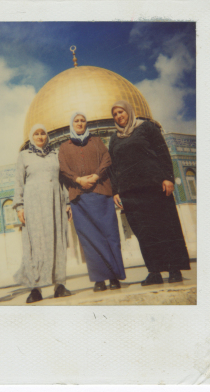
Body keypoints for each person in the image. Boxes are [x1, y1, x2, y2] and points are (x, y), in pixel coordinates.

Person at [109, 100, 190, 286]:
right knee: (145, 233)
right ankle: (154, 271)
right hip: (131, 193)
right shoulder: (115, 138)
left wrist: (168, 177)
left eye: (121, 112)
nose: (119, 116)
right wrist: (115, 190)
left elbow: (162, 152)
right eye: (115, 114)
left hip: (154, 187)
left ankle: (174, 269)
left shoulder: (146, 128)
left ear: (129, 112)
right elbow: (113, 166)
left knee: (164, 227)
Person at [58, 112, 126, 292]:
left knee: (109, 234)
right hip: (79, 198)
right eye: (76, 121)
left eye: (82, 121)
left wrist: (96, 176)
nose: (80, 123)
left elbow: (107, 159)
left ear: (86, 124)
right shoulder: (64, 147)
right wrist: (79, 180)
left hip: (101, 193)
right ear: (71, 124)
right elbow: (63, 169)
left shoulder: (96, 141)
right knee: (90, 240)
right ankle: (99, 279)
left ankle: (114, 276)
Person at [13, 124, 72, 303]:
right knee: (34, 245)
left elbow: (62, 180)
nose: (40, 137)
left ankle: (59, 285)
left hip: (56, 204)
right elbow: (18, 183)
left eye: (42, 134)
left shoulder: (55, 155)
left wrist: (67, 202)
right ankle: (35, 289)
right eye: (36, 134)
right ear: (32, 137)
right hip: (34, 206)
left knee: (58, 242)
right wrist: (19, 206)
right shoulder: (24, 156)